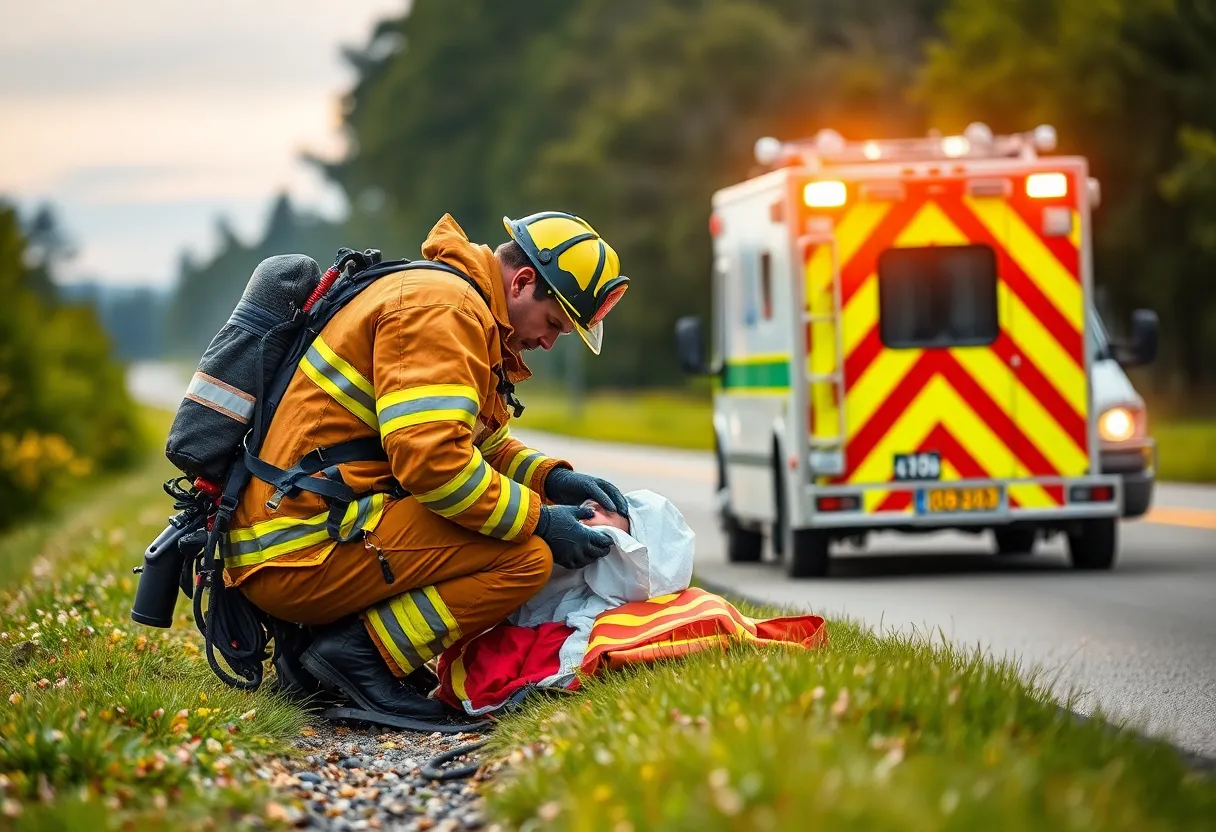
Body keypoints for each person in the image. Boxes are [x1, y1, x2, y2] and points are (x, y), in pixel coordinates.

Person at [219, 211, 631, 717]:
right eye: (553, 325)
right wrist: (542, 519)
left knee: (513, 528)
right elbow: (434, 464)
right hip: (297, 549)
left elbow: (485, 448)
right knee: (524, 556)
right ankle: (355, 655)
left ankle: (339, 648)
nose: (548, 343)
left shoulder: (455, 304)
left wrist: (553, 479)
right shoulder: (446, 311)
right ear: (523, 282)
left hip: (299, 532)